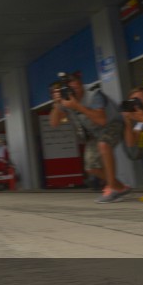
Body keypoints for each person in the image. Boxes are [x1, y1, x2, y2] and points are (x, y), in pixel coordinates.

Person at [49, 71, 130, 203]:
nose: (77, 90)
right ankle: (120, 187)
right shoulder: (66, 99)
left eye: (78, 87)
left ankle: (112, 189)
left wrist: (76, 106)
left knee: (104, 145)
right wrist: (57, 104)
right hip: (95, 132)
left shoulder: (94, 94)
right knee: (91, 167)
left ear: (82, 85)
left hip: (112, 123)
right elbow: (54, 123)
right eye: (73, 88)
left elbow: (102, 120)